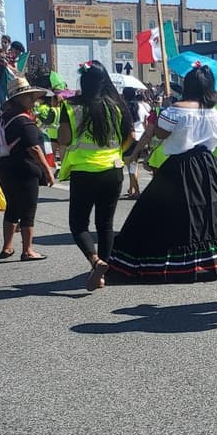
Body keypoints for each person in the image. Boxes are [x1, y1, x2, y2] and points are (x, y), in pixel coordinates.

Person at [108, 64, 217, 282]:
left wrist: (158, 121)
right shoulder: (213, 111)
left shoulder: (176, 109)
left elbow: (161, 134)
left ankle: (177, 260)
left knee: (168, 211)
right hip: (207, 163)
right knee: (213, 211)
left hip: (179, 165)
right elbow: (212, 141)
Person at [58, 62, 133, 290]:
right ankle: (102, 274)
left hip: (84, 172)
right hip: (113, 169)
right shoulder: (117, 106)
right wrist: (118, 151)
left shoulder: (71, 107)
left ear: (83, 81)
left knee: (78, 224)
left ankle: (95, 261)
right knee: (105, 225)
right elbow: (130, 136)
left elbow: (64, 138)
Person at [0, 76, 54, 260]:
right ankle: (27, 250)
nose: (33, 100)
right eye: (29, 97)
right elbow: (34, 148)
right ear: (19, 99)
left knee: (12, 206)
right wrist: (48, 170)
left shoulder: (4, 118)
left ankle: (7, 246)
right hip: (24, 169)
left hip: (5, 167)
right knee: (28, 209)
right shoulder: (24, 121)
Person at [122, 86, 150, 198]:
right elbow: (145, 121)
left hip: (129, 138)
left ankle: (136, 189)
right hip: (140, 138)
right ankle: (131, 187)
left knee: (131, 166)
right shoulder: (140, 106)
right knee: (134, 165)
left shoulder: (124, 107)